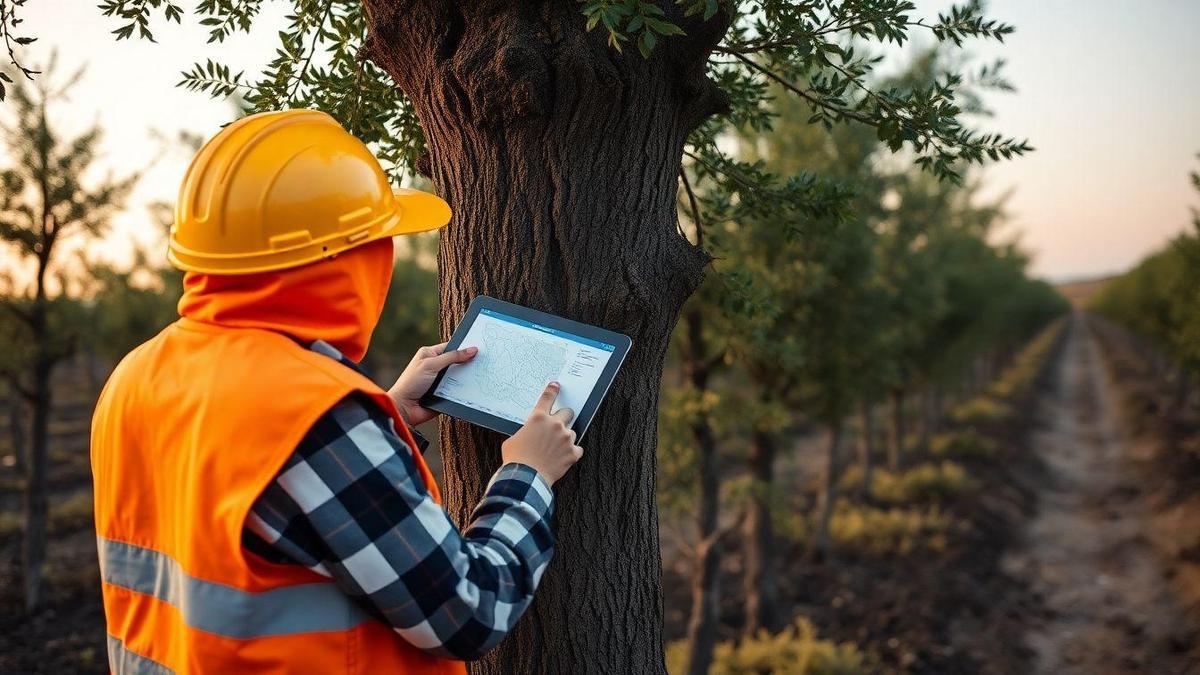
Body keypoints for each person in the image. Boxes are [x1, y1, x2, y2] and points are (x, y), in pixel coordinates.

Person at [90, 109, 583, 674]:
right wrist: (529, 474)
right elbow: (469, 611)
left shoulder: (136, 375)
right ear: (348, 261)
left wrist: (386, 414)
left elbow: (244, 494)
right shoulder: (314, 418)